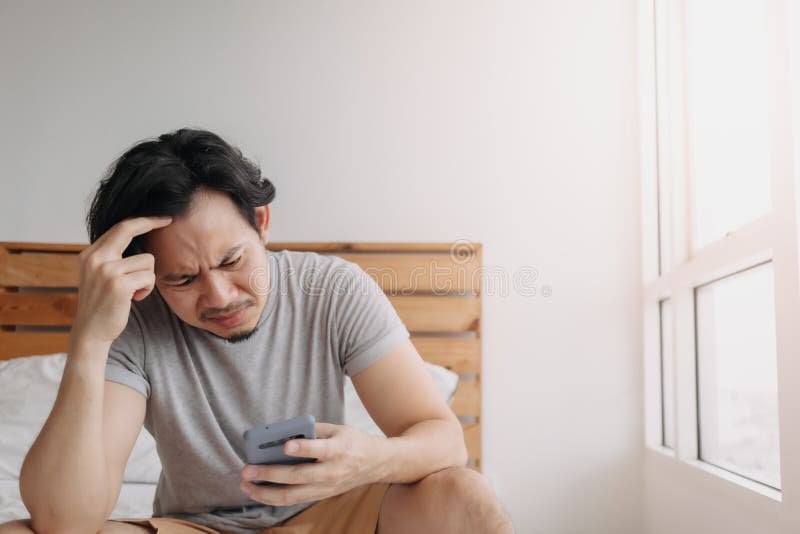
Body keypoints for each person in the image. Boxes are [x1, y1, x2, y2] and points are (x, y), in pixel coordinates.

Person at [1, 128, 514, 534]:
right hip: (196, 527)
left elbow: (445, 442)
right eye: (181, 278)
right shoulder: (137, 320)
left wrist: (369, 460)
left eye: (231, 260)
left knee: (465, 499)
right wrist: (90, 338)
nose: (219, 296)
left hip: (333, 518)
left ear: (262, 223)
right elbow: (63, 523)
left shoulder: (330, 289)